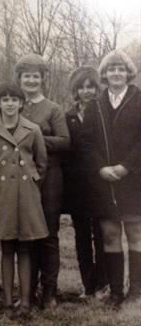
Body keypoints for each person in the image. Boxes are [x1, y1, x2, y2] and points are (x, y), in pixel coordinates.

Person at [79, 49, 141, 309]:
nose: (116, 73)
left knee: (135, 232)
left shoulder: (139, 100)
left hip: (134, 179)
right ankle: (116, 293)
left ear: (128, 73)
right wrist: (101, 168)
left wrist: (127, 166)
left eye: (121, 69)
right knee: (110, 234)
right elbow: (85, 143)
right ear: (104, 74)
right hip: (104, 181)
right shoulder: (95, 105)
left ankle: (137, 290)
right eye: (111, 69)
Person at [0, 82, 48, 318]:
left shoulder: (33, 129)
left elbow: (41, 163)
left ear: (21, 103)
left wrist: (29, 184)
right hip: (2, 196)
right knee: (6, 247)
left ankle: (26, 302)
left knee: (25, 248)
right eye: (5, 99)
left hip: (27, 194)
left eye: (14, 100)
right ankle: (8, 302)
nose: (9, 104)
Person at [13, 54, 70, 309]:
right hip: (23, 179)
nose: (31, 80)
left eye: (36, 76)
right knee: (27, 234)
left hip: (50, 178)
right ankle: (28, 291)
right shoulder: (14, 105)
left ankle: (50, 292)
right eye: (27, 76)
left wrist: (34, 139)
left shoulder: (53, 108)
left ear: (43, 79)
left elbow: (65, 141)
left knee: (48, 233)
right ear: (20, 79)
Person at [61, 66, 108, 299]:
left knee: (101, 234)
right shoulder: (67, 116)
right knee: (81, 236)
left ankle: (102, 284)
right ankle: (87, 285)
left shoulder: (103, 112)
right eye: (82, 87)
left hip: (100, 182)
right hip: (76, 185)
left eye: (91, 86)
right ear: (75, 90)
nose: (87, 91)